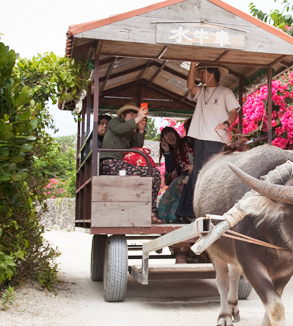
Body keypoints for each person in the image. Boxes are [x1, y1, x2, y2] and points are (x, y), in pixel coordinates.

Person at [175, 63, 240, 221]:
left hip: (215, 140)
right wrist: (191, 64)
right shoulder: (202, 91)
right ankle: (194, 213)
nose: (200, 76)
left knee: (211, 176)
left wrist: (226, 123)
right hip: (200, 139)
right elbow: (190, 86)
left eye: (203, 72)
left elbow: (234, 112)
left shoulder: (225, 92)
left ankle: (211, 212)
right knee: (197, 176)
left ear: (212, 74)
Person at [99, 103, 162, 223]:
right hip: (109, 162)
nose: (134, 116)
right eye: (132, 114)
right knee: (149, 172)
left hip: (122, 165)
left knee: (154, 173)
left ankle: (151, 210)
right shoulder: (114, 122)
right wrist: (137, 119)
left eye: (136, 114)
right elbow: (119, 129)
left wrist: (141, 129)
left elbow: (137, 145)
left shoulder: (130, 131)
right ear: (123, 115)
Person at [157, 126, 194, 223]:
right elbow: (170, 169)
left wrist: (195, 166)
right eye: (165, 134)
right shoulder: (172, 151)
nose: (169, 135)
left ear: (176, 133)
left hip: (196, 172)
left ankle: (176, 217)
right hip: (184, 177)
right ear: (163, 139)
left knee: (178, 184)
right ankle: (168, 217)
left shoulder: (187, 141)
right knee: (176, 186)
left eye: (171, 132)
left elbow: (201, 154)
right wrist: (167, 151)